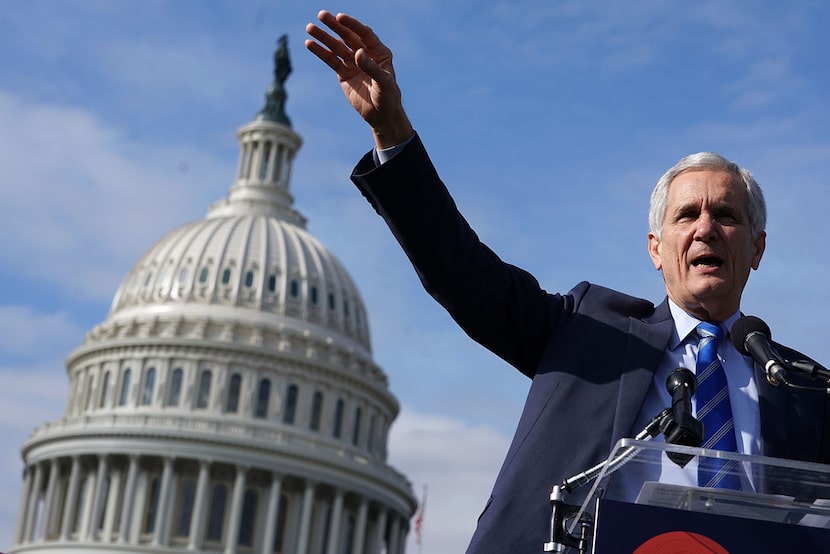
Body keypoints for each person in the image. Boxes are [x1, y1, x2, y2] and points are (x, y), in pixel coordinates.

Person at [306, 11, 830, 553]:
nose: (705, 229)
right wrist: (392, 131)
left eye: (726, 215)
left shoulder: (802, 389)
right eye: (686, 215)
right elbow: (457, 268)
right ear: (656, 250)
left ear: (758, 248)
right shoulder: (585, 329)